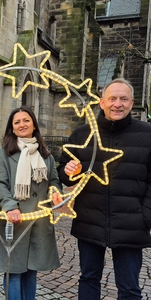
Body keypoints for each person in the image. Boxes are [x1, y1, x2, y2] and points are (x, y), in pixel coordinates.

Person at [58, 78, 151, 299]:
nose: (117, 104)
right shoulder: (82, 134)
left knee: (129, 288)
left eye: (123, 99)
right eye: (112, 98)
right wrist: (69, 172)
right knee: (89, 279)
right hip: (90, 221)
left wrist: (145, 216)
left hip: (131, 223)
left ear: (132, 102)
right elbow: (63, 172)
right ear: (102, 102)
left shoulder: (147, 135)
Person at [0, 106, 61, 300]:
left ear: (33, 124)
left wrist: (55, 193)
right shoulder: (3, 154)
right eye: (17, 122)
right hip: (16, 221)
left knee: (32, 271)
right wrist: (10, 206)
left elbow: (54, 181)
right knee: (13, 272)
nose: (22, 124)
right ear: (12, 128)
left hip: (38, 221)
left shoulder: (46, 155)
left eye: (26, 120)